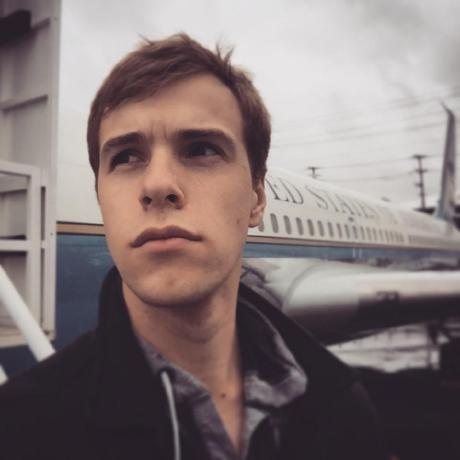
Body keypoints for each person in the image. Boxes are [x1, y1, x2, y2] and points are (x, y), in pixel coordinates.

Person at [0, 34, 385, 459]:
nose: (157, 185)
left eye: (200, 149)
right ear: (101, 198)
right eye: (126, 157)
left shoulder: (345, 412)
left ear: (257, 198)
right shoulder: (18, 431)